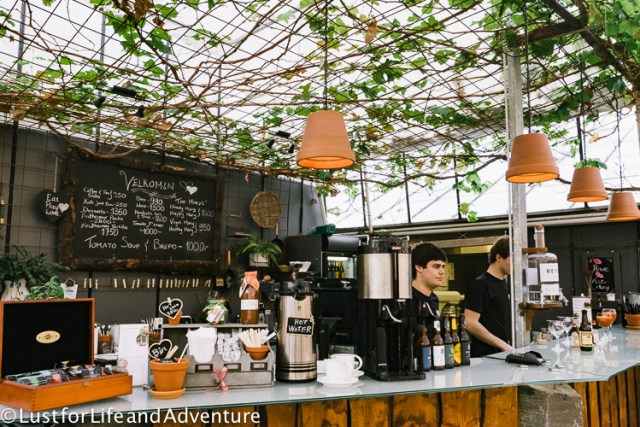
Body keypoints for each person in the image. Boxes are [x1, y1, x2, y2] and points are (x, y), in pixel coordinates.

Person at [465, 236, 513, 357]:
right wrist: (502, 345)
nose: (516, 264)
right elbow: (469, 322)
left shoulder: (503, 282)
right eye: (513, 258)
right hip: (485, 356)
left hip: (501, 354)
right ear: (499, 258)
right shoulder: (481, 284)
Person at [411, 242, 448, 338]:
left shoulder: (434, 298)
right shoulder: (407, 298)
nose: (442, 272)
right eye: (436, 266)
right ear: (419, 267)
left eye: (443, 266)